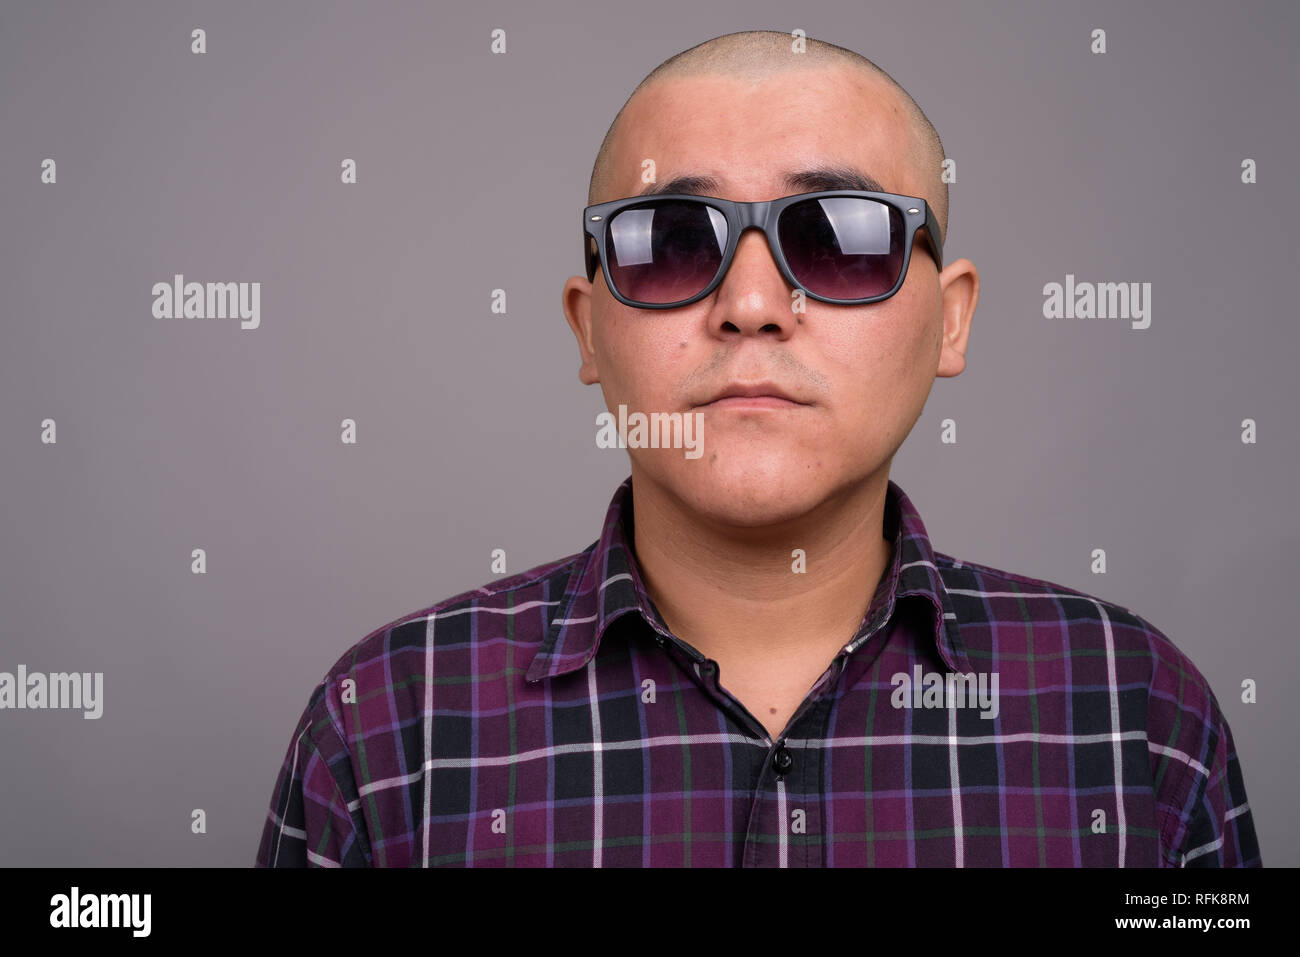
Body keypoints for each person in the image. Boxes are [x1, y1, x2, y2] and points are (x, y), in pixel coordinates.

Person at [255, 29, 1260, 867]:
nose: (749, 307)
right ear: (588, 331)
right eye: (669, 241)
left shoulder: (1136, 717)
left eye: (839, 239)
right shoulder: (388, 730)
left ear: (950, 323)